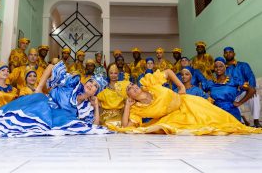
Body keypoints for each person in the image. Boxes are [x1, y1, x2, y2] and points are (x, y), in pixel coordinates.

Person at [0, 61, 110, 137]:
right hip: (41, 103)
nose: (91, 85)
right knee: (15, 112)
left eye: (95, 86)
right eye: (91, 82)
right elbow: (52, 66)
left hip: (54, 117)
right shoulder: (72, 82)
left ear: (96, 92)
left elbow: (94, 125)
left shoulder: (85, 106)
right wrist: (39, 88)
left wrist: (96, 106)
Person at [108, 68, 261, 135]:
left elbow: (168, 72)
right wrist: (128, 106)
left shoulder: (150, 83)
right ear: (128, 95)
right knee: (201, 128)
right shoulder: (137, 109)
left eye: (132, 84)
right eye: (129, 88)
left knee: (218, 118)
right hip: (174, 116)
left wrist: (181, 86)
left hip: (187, 102)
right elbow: (126, 126)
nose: (133, 87)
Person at [202, 57, 256, 121]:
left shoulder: (233, 80)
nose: (218, 68)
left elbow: (252, 90)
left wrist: (239, 103)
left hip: (231, 112)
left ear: (225, 68)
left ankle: (241, 119)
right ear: (214, 69)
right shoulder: (210, 83)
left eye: (221, 66)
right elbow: (200, 93)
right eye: (216, 67)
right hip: (216, 112)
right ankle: (242, 119)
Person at [224, 47, 261, 127]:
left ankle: (256, 120)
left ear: (234, 54)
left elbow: (250, 76)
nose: (228, 54)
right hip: (232, 95)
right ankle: (241, 120)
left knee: (254, 96)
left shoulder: (243, 65)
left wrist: (252, 88)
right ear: (224, 55)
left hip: (243, 92)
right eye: (226, 52)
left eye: (230, 52)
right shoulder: (223, 69)